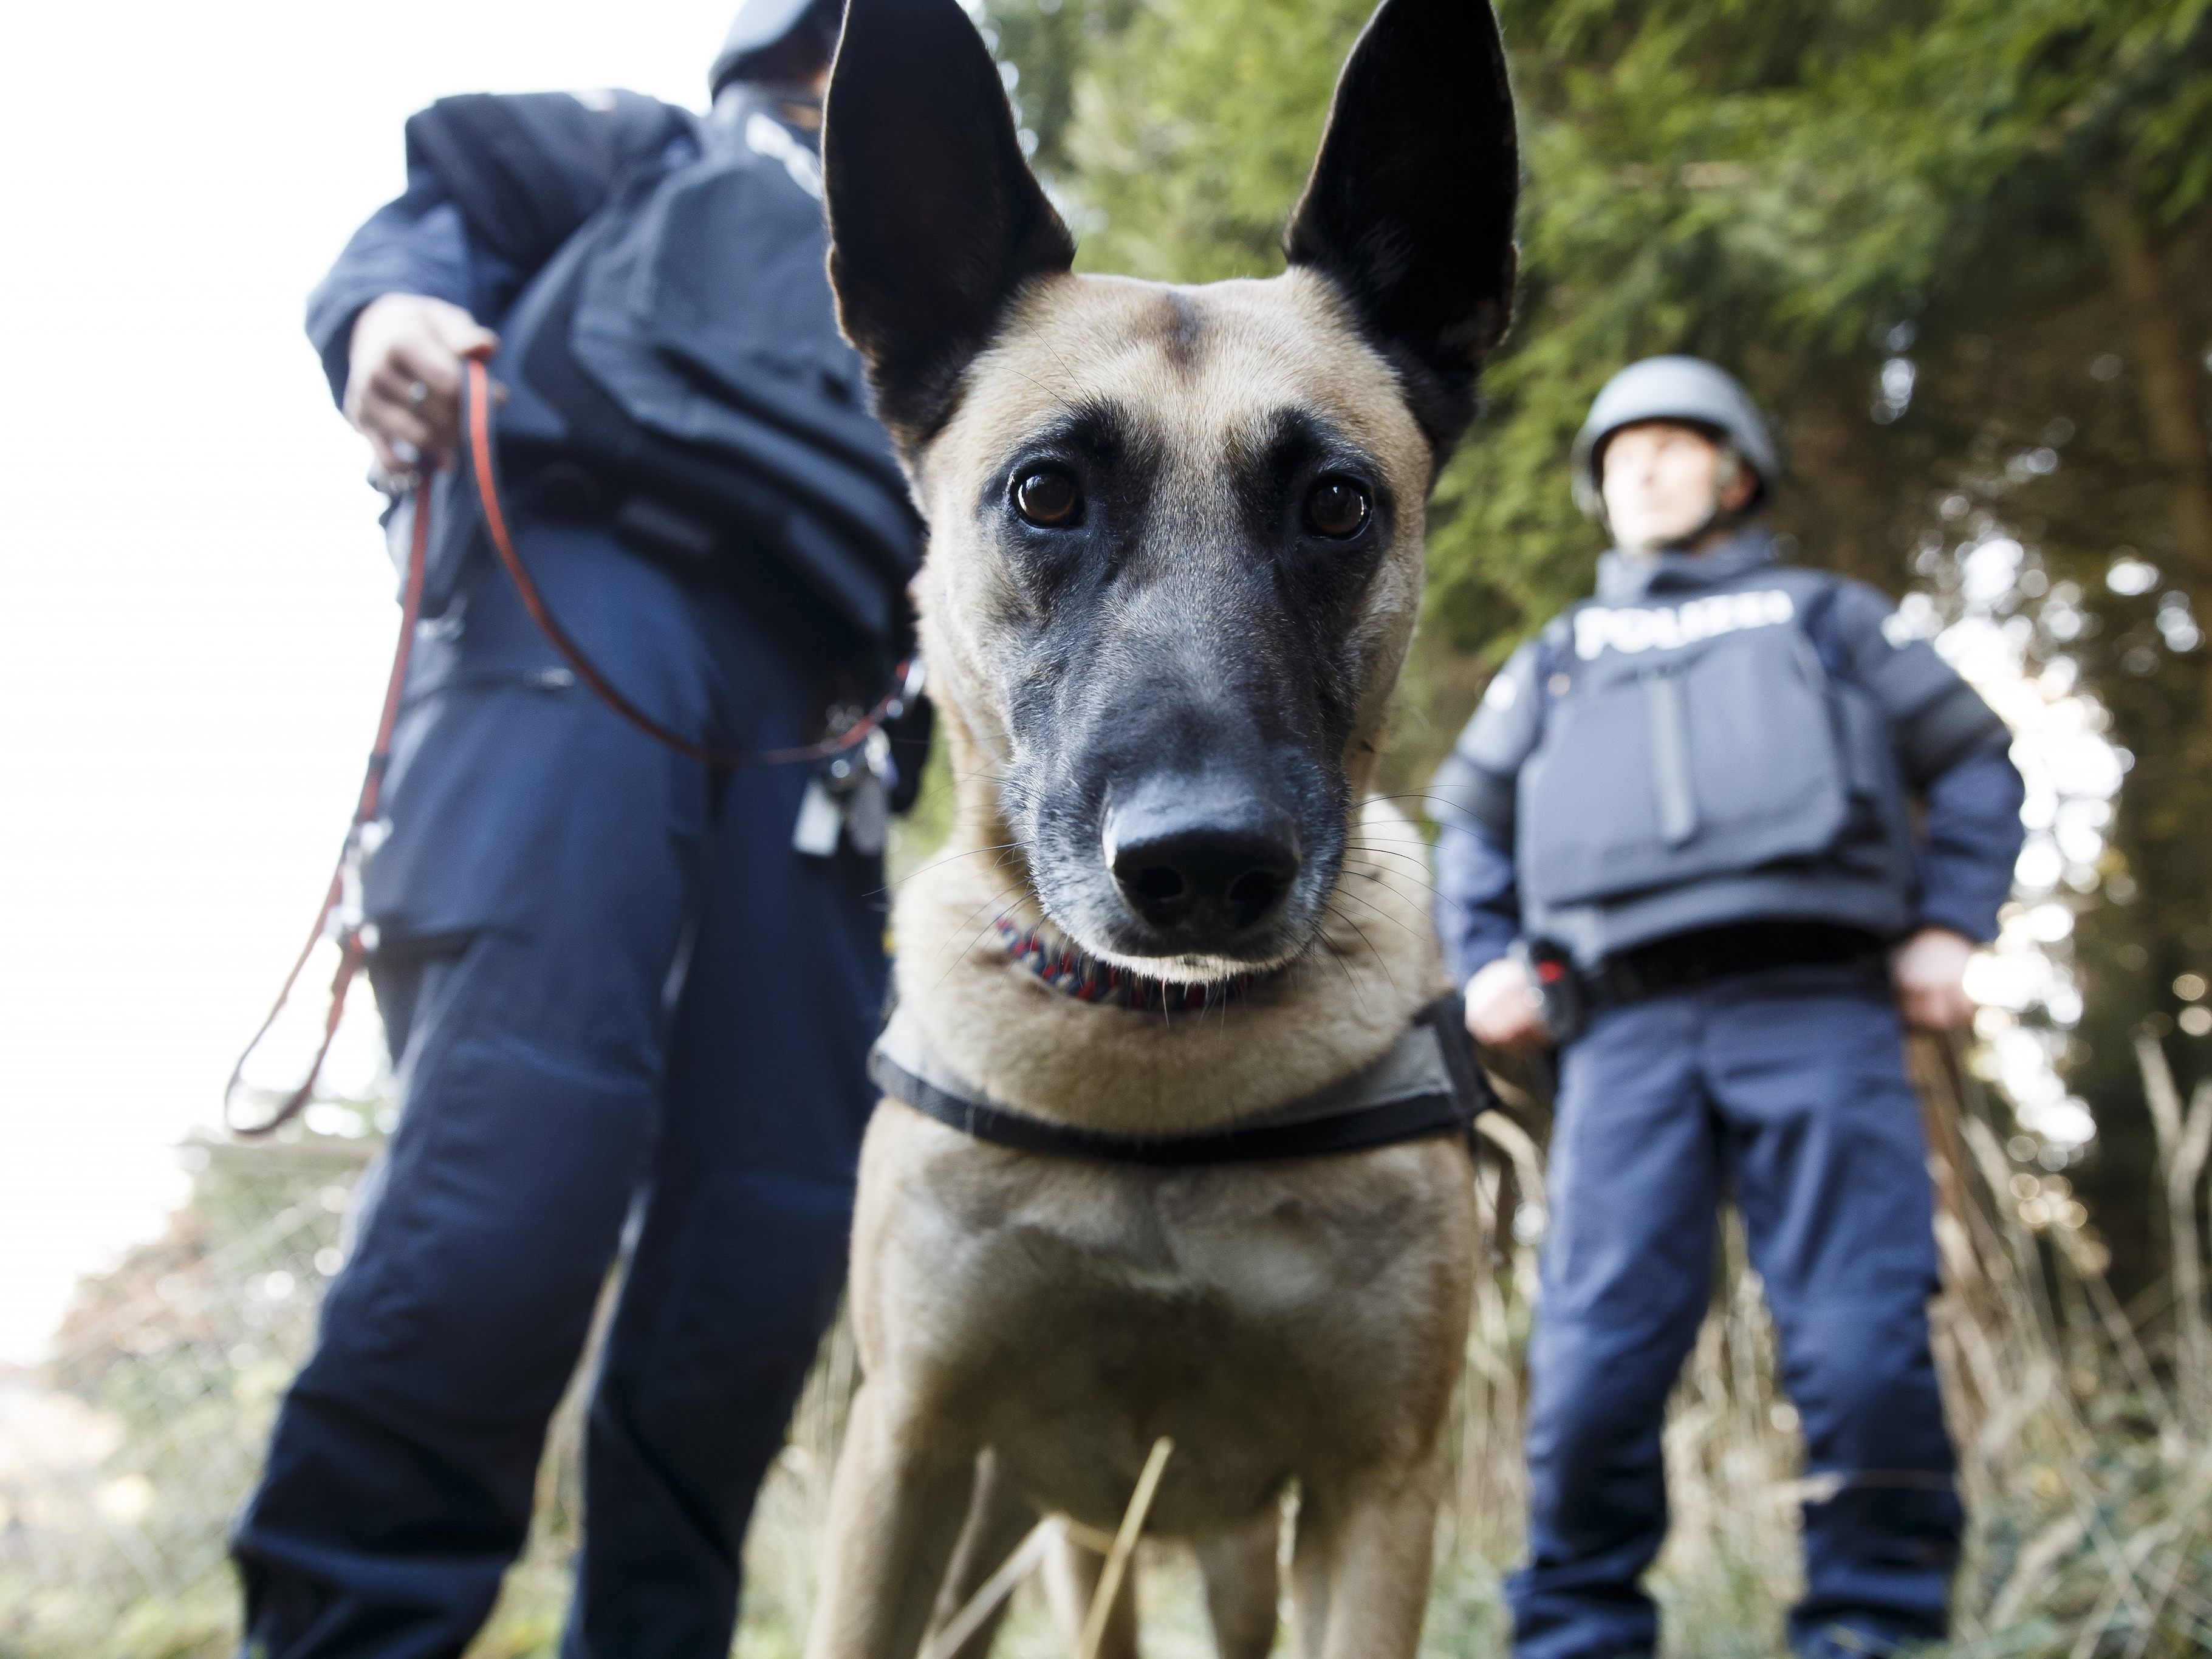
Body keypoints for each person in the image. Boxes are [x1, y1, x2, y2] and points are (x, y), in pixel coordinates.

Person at [230, 3, 926, 1655]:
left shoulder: (937, 275)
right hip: (580, 598)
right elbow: (434, 214)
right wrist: (386, 310)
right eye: (829, 58)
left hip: (823, 716)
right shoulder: (653, 150)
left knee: (767, 1228)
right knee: (515, 1150)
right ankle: (352, 1628)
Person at [1428, 357, 2026, 1659]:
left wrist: (1949, 924)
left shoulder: (1828, 617)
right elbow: (1468, 826)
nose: (1639, 464)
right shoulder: (1557, 660)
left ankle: (1872, 1631)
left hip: (1820, 1011)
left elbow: (1975, 760)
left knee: (1864, 1349)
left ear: (1735, 469)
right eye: (1618, 452)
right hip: (1625, 1039)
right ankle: (1579, 1637)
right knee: (1589, 1372)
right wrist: (1487, 957)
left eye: (1670, 442)